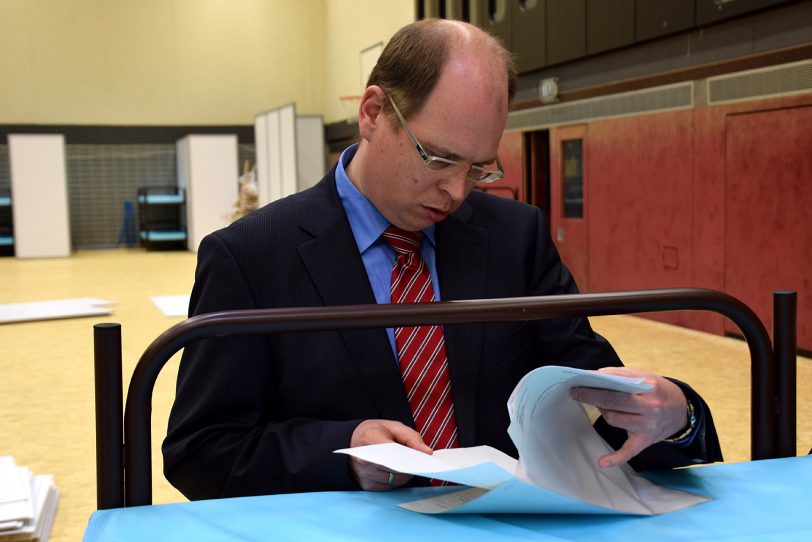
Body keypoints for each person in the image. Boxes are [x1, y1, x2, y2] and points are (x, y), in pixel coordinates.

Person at [163, 19, 722, 500]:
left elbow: (595, 394)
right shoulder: (250, 256)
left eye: (480, 168)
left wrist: (675, 415)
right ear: (373, 112)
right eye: (439, 158)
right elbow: (201, 450)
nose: (457, 192)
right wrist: (344, 454)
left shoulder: (514, 237)